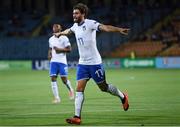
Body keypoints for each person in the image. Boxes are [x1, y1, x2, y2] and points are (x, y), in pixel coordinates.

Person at [54, 3, 130, 124]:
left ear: (83, 14)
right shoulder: (75, 26)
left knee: (103, 87)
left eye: (77, 13)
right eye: (73, 13)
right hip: (82, 64)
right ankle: (77, 117)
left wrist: (119, 29)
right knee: (79, 88)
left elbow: (105, 27)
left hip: (95, 63)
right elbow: (70, 30)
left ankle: (123, 96)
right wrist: (60, 33)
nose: (74, 15)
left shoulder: (90, 23)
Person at [48, 24, 74, 103]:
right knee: (53, 78)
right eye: (54, 27)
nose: (55, 28)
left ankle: (71, 90)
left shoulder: (64, 38)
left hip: (62, 62)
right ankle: (57, 98)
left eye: (57, 27)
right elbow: (50, 48)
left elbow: (69, 49)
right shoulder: (51, 39)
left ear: (60, 29)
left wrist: (60, 49)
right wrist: (49, 54)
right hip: (53, 62)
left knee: (64, 80)